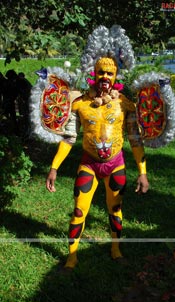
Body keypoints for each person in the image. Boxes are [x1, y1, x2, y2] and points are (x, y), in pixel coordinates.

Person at [45, 25, 149, 269]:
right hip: (89, 165)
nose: (105, 78)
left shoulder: (125, 104)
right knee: (79, 211)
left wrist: (142, 172)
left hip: (116, 166)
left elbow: (135, 139)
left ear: (116, 77)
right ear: (95, 73)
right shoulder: (80, 104)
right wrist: (54, 167)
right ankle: (72, 255)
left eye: (109, 74)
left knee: (116, 209)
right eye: (101, 73)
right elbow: (69, 137)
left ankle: (115, 248)